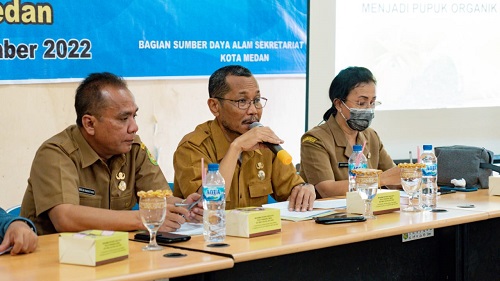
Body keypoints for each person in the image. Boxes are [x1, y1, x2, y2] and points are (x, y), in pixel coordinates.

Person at [21, 72, 201, 235]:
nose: (134, 127)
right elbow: (65, 218)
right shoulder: (56, 153)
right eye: (123, 119)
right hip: (56, 260)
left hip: (113, 252)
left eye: (134, 116)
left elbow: (159, 200)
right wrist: (142, 219)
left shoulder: (132, 148)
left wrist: (183, 207)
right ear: (90, 124)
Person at [173, 65, 315, 211]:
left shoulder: (265, 144)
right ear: (215, 106)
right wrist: (236, 148)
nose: (253, 110)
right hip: (211, 232)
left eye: (257, 100)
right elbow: (206, 206)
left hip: (257, 232)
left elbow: (292, 189)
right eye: (242, 101)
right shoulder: (192, 147)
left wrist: (304, 189)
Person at [300, 66, 400, 198]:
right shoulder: (315, 139)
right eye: (361, 103)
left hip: (368, 211)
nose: (368, 109)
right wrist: (381, 179)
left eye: (372, 102)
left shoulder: (371, 136)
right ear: (338, 104)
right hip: (332, 215)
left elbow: (393, 178)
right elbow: (327, 190)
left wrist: (412, 176)